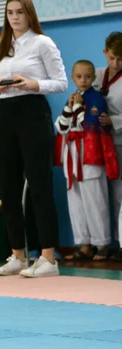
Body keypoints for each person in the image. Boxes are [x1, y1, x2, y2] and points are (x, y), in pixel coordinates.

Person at [0, 0, 68, 278]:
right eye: (10, 12)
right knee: (7, 186)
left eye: (20, 12)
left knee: (39, 184)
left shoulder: (43, 43)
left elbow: (61, 82)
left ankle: (47, 257)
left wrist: (32, 83)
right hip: (5, 112)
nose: (15, 17)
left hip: (33, 111)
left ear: (29, 14)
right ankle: (17, 254)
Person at [55, 60, 118, 261]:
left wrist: (78, 108)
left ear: (94, 78)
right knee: (76, 202)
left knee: (95, 200)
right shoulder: (72, 98)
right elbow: (63, 126)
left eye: (88, 76)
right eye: (79, 76)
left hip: (90, 155)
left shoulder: (97, 99)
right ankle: (84, 242)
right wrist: (72, 108)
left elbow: (89, 124)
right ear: (72, 78)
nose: (83, 80)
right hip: (72, 155)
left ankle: (102, 243)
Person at [95, 32, 122, 261]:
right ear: (105, 54)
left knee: (120, 194)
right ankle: (110, 242)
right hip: (98, 143)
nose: (116, 63)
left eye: (121, 59)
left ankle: (121, 243)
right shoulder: (96, 75)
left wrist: (115, 121)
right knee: (104, 195)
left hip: (119, 140)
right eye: (112, 58)